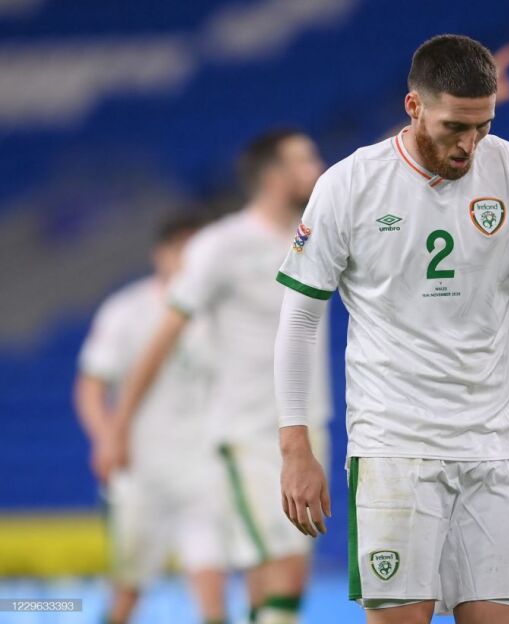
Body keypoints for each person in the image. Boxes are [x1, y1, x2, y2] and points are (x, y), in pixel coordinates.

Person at [274, 34, 509, 624]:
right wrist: (295, 447)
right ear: (413, 106)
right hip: (394, 449)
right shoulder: (349, 184)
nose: (469, 144)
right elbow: (299, 320)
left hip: (496, 447)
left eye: (483, 126)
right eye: (454, 127)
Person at [103, 129, 332, 624]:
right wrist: (119, 426)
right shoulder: (223, 245)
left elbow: (380, 177)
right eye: (305, 159)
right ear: (274, 176)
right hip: (249, 436)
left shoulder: (316, 234)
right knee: (284, 568)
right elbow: (164, 336)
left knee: (275, 575)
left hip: (308, 428)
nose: (318, 168)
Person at [75, 214, 227, 624]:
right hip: (140, 468)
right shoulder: (126, 310)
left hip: (204, 466)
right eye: (182, 251)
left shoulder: (219, 313)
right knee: (128, 589)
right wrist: (106, 437)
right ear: (160, 254)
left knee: (212, 586)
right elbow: (90, 385)